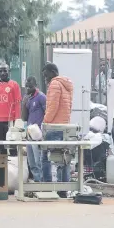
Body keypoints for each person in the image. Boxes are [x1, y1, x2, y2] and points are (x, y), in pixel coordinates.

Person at [41, 63, 73, 198]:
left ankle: (47, 186)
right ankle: (63, 188)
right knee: (63, 158)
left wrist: (45, 122)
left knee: (45, 157)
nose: (45, 78)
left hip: (53, 127)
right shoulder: (67, 85)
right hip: (65, 126)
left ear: (53, 72)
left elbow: (52, 107)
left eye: (46, 75)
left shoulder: (54, 85)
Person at [21, 76, 46, 182]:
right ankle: (37, 182)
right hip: (29, 134)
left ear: (36, 86)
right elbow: (24, 118)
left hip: (38, 134)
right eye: (26, 86)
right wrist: (24, 104)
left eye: (30, 86)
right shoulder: (28, 98)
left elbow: (47, 113)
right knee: (31, 162)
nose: (28, 88)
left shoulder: (41, 97)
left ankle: (42, 183)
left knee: (38, 160)